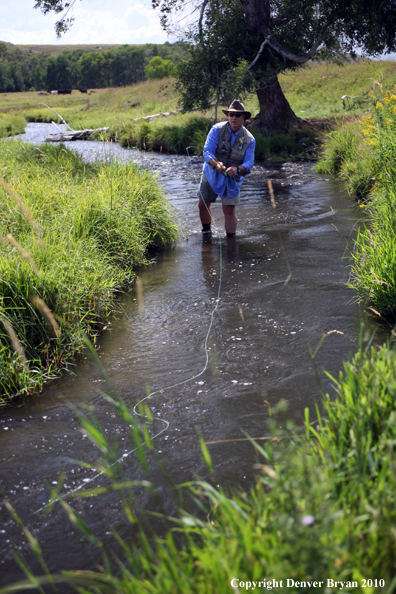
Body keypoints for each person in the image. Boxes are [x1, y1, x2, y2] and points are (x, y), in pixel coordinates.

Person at [198, 100, 255, 237]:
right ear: (228, 116)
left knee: (228, 209)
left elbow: (249, 163)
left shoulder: (249, 139)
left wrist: (238, 169)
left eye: (238, 115)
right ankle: (206, 232)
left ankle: (231, 241)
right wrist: (216, 163)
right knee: (203, 204)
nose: (234, 118)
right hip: (211, 172)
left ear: (243, 118)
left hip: (232, 178)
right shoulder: (216, 130)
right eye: (231, 114)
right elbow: (207, 151)